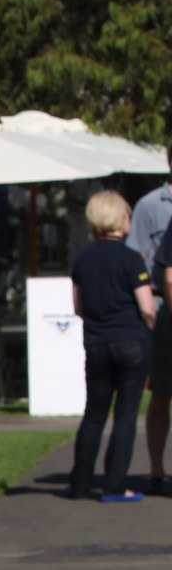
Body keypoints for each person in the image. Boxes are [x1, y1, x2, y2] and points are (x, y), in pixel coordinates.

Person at [69, 190, 156, 501]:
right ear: (121, 219)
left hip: (96, 344)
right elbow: (146, 306)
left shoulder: (82, 258)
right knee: (125, 414)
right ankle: (115, 485)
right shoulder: (133, 259)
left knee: (94, 414)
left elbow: (78, 306)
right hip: (131, 341)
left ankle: (79, 483)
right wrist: (152, 329)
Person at [126, 150, 172, 494]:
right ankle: (156, 470)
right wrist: (147, 309)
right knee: (161, 392)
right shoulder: (150, 206)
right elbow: (137, 260)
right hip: (162, 307)